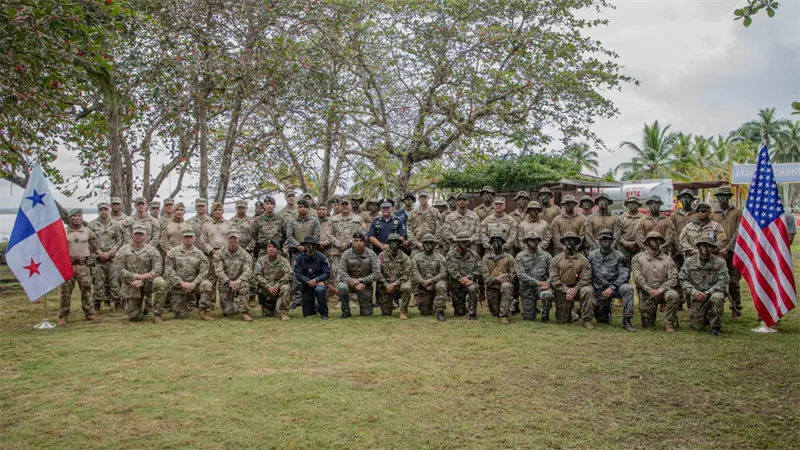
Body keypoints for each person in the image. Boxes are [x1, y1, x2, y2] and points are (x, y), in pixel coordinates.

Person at [114, 224, 166, 323]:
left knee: (160, 283)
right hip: (132, 284)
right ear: (132, 235)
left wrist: (142, 280)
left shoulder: (152, 251)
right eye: (136, 233)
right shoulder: (123, 250)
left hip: (149, 282)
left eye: (141, 234)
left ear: (145, 235)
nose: (138, 236)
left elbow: (158, 269)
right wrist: (137, 276)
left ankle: (157, 314)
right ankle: (144, 303)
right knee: (134, 318)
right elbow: (119, 269)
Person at [680, 236, 729, 336]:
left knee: (717, 298)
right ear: (698, 247)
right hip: (697, 295)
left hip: (713, 293)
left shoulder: (720, 262)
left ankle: (716, 327)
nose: (705, 249)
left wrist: (708, 292)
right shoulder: (689, 261)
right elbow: (683, 279)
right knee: (697, 327)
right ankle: (706, 316)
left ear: (712, 248)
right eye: (702, 245)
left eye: (708, 246)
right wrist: (694, 292)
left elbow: (723, 281)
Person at [588, 229, 636, 331]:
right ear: (599, 241)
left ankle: (627, 320)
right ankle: (603, 309)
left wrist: (613, 287)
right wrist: (593, 292)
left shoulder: (619, 256)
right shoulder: (592, 255)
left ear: (612, 241)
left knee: (628, 288)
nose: (606, 241)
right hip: (599, 289)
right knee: (602, 320)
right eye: (603, 239)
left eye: (608, 239)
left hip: (615, 288)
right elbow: (588, 274)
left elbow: (625, 274)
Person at [58, 208, 99, 325]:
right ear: (69, 218)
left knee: (86, 289)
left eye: (79, 216)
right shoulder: (63, 232)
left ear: (82, 218)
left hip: (83, 265)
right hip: (68, 266)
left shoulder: (88, 232)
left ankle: (89, 313)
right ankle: (63, 316)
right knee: (65, 291)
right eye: (74, 216)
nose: (76, 218)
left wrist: (88, 256)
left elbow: (95, 245)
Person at [632, 232, 679, 332]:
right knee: (647, 324)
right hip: (646, 292)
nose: (654, 243)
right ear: (647, 243)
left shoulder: (668, 260)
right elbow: (637, 277)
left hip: (664, 291)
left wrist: (660, 290)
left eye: (657, 240)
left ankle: (669, 323)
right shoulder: (638, 258)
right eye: (651, 240)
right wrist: (649, 290)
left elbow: (673, 278)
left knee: (673, 295)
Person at [163, 229, 214, 320]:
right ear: (182, 238)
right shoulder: (173, 252)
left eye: (190, 237)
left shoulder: (200, 254)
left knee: (207, 285)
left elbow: (204, 272)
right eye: (186, 237)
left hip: (194, 285)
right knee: (180, 316)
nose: (188, 239)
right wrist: (181, 283)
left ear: (194, 238)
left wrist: (193, 283)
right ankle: (181, 306)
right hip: (178, 286)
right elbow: (169, 270)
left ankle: (203, 311)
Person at [548, 232, 595, 328]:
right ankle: (575, 312)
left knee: (588, 290)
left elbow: (586, 278)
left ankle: (586, 319)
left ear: (577, 242)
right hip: (563, 289)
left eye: (573, 239)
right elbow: (554, 278)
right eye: (567, 239)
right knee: (563, 320)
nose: (570, 242)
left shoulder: (583, 260)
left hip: (578, 288)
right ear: (563, 242)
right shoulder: (556, 259)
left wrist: (575, 290)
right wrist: (566, 290)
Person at [710, 186, 743, 317]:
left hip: (733, 252)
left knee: (734, 281)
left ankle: (736, 307)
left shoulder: (737, 213)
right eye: (720, 196)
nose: (722, 198)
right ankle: (716, 308)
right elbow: (711, 233)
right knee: (716, 280)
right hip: (717, 252)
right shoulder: (713, 214)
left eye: (724, 196)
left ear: (729, 197)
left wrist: (728, 248)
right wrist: (716, 248)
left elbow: (739, 231)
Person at [328, 197, 365, 309]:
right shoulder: (333, 219)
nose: (344, 206)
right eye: (342, 204)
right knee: (338, 274)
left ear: (350, 205)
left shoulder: (358, 219)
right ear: (339, 206)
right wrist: (339, 243)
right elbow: (329, 234)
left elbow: (363, 232)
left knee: (353, 273)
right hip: (337, 252)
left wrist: (349, 243)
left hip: (353, 251)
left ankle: (353, 298)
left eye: (346, 204)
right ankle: (341, 298)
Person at [88, 201, 123, 311]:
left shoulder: (116, 224)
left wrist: (110, 253)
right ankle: (97, 305)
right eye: (101, 209)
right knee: (98, 283)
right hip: (98, 259)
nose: (103, 211)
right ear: (98, 211)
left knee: (115, 282)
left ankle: (117, 304)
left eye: (105, 209)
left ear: (109, 210)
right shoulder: (92, 225)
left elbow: (119, 241)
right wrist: (100, 253)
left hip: (112, 259)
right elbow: (90, 241)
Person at [286, 199, 321, 308]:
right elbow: (289, 236)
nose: (302, 209)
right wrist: (298, 246)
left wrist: (307, 246)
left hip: (311, 252)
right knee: (297, 275)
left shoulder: (314, 221)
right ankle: (297, 299)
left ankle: (312, 299)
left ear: (308, 208)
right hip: (297, 252)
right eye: (300, 207)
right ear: (298, 208)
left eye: (304, 207)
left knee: (311, 275)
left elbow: (317, 235)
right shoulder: (292, 222)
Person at [212, 229, 253, 321]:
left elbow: (247, 271)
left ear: (239, 239)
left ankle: (244, 312)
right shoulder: (219, 253)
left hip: (239, 282)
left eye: (235, 238)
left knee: (245, 285)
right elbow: (218, 271)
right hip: (225, 283)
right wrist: (229, 282)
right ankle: (237, 302)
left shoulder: (245, 255)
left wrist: (238, 281)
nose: (233, 240)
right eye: (231, 238)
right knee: (228, 313)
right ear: (227, 239)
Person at [445, 232, 488, 319]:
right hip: (456, 285)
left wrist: (468, 277)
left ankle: (472, 313)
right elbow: (450, 269)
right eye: (463, 242)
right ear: (458, 243)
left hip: (470, 282)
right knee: (459, 313)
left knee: (472, 288)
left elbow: (480, 269)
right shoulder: (450, 254)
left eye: (467, 241)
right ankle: (462, 306)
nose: (466, 244)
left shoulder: (474, 254)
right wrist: (459, 278)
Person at [337, 232, 381, 317]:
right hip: (349, 283)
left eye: (361, 241)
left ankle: (365, 308)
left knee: (367, 314)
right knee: (342, 286)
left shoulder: (371, 254)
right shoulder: (346, 254)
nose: (358, 243)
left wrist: (361, 280)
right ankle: (346, 311)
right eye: (356, 240)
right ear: (352, 242)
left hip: (365, 285)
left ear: (364, 242)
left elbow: (377, 273)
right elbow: (342, 272)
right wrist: (352, 281)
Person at [515, 232, 553, 322]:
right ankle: (532, 309)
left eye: (535, 239)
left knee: (547, 295)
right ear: (526, 242)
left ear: (538, 241)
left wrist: (547, 283)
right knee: (528, 318)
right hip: (526, 289)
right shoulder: (520, 256)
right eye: (530, 240)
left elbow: (552, 273)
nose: (533, 242)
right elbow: (521, 274)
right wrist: (537, 282)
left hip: (542, 287)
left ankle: (545, 317)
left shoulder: (546, 256)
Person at [410, 234, 449, 320]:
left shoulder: (440, 258)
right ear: (422, 245)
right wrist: (423, 282)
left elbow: (443, 273)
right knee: (425, 312)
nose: (428, 245)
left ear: (435, 245)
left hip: (437, 282)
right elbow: (414, 273)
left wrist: (431, 281)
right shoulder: (416, 258)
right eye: (426, 243)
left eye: (431, 243)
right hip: (423, 284)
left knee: (441, 286)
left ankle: (440, 310)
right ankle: (432, 304)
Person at [670, 189, 697, 310]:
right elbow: (672, 233)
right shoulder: (674, 215)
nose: (686, 200)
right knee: (677, 277)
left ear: (692, 199)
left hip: (694, 250)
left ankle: (692, 301)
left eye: (688, 197)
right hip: (678, 251)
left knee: (693, 276)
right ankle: (679, 301)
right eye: (683, 198)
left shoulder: (697, 214)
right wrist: (677, 248)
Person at [200, 202, 232, 302]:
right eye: (215, 210)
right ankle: (210, 303)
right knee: (211, 279)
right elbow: (203, 241)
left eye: (219, 210)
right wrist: (211, 251)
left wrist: (224, 251)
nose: (217, 212)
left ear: (223, 211)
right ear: (211, 212)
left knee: (225, 279)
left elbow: (232, 239)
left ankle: (226, 303)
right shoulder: (206, 225)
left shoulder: (229, 224)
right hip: (211, 255)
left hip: (225, 254)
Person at [255, 240, 293, 320]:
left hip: (278, 291)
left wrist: (277, 285)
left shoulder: (284, 261)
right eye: (269, 247)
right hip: (266, 291)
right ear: (266, 249)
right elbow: (257, 275)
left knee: (286, 287)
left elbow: (289, 274)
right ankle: (269, 307)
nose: (271, 249)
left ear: (278, 250)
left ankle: (284, 313)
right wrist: (268, 286)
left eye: (274, 247)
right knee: (267, 315)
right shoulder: (260, 261)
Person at [295, 236, 331, 319]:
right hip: (306, 284)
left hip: (319, 283)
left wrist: (316, 280)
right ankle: (315, 307)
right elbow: (298, 274)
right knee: (307, 314)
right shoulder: (299, 259)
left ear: (316, 246)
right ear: (304, 246)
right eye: (307, 245)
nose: (309, 247)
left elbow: (327, 273)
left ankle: (324, 313)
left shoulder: (322, 258)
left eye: (312, 245)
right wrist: (308, 281)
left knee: (320, 290)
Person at [483, 234, 516, 323]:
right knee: (495, 312)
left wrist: (504, 277)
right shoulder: (486, 258)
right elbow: (484, 275)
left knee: (506, 286)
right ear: (491, 243)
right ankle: (511, 305)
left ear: (503, 243)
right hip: (492, 286)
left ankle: (504, 316)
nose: (496, 243)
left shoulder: (509, 258)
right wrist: (495, 279)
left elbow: (513, 275)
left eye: (499, 240)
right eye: (494, 241)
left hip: (505, 283)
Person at [378, 233, 412, 318]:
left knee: (407, 287)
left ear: (399, 244)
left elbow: (407, 275)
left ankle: (403, 311)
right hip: (385, 285)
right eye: (391, 242)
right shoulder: (381, 256)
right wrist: (386, 284)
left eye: (396, 242)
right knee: (386, 313)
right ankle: (390, 302)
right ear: (388, 243)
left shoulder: (405, 258)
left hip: (399, 284)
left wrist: (393, 284)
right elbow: (377, 273)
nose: (393, 244)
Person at [407, 190, 441, 256]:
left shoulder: (435, 212)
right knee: (415, 265)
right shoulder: (413, 213)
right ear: (418, 198)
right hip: (417, 247)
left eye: (425, 197)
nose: (423, 198)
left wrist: (432, 242)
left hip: (433, 246)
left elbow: (439, 229)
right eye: (421, 197)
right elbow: (409, 230)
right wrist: (417, 243)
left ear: (428, 198)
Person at [616, 196, 644, 266]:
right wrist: (625, 243)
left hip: (638, 247)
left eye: (634, 203)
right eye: (630, 203)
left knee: (638, 266)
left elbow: (645, 233)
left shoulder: (644, 218)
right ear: (627, 205)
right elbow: (617, 233)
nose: (632, 205)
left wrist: (636, 243)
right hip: (624, 247)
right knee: (624, 267)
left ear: (638, 205)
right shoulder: (621, 218)